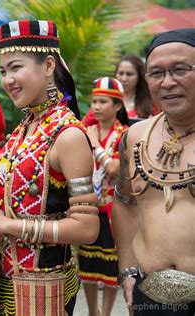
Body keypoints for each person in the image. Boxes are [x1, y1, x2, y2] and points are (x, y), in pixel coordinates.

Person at [0, 20, 100, 315]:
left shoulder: (69, 135)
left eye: (15, 67)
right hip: (4, 287)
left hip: (44, 293)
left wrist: (6, 225)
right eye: (3, 71)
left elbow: (87, 228)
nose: (7, 80)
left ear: (48, 65)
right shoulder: (22, 131)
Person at [112, 28, 195, 315]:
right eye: (156, 73)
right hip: (150, 296)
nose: (168, 82)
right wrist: (127, 269)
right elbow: (124, 202)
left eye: (180, 69)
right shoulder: (135, 137)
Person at [78, 77, 129, 316]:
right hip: (88, 207)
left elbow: (114, 170)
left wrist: (96, 146)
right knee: (87, 263)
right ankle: (92, 312)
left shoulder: (125, 135)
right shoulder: (84, 130)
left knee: (110, 265)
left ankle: (106, 313)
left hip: (112, 211)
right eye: (94, 101)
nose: (96, 107)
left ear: (117, 106)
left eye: (103, 102)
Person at [82, 55, 158, 126]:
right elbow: (83, 126)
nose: (124, 79)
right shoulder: (103, 99)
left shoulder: (150, 103)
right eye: (120, 73)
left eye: (129, 74)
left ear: (139, 76)